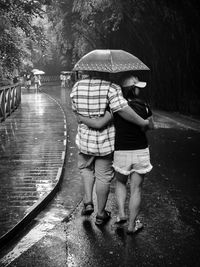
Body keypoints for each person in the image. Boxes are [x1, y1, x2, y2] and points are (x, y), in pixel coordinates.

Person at [70, 71, 152, 226]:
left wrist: (84, 118)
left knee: (86, 169)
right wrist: (142, 122)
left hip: (84, 140)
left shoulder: (77, 86)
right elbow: (122, 109)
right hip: (105, 142)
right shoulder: (111, 87)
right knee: (103, 177)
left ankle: (88, 201)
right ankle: (101, 214)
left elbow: (75, 111)